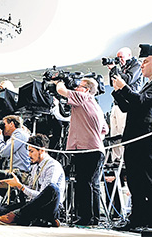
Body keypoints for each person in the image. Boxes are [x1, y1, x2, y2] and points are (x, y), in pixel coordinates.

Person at [111, 55, 152, 230]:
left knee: (148, 179)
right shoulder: (146, 85)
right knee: (134, 180)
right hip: (134, 136)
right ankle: (137, 218)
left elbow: (140, 101)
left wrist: (125, 87)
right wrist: (117, 90)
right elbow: (127, 107)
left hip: (147, 137)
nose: (141, 65)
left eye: (145, 62)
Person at [56, 77, 108, 225]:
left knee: (84, 184)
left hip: (86, 150)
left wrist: (59, 80)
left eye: (79, 86)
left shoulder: (84, 97)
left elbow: (61, 90)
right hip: (96, 149)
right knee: (93, 184)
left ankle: (85, 218)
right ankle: (93, 218)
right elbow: (105, 129)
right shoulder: (96, 105)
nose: (76, 88)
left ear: (86, 89)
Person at [0, 134, 66, 227]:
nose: (29, 155)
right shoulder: (35, 166)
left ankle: (21, 216)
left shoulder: (52, 166)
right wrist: (17, 185)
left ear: (42, 150)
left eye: (31, 151)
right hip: (34, 205)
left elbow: (42, 195)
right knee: (0, 211)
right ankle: (33, 218)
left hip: (49, 206)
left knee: (52, 188)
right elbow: (32, 191)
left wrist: (21, 187)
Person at [107, 47, 143, 162]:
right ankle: (116, 159)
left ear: (129, 55)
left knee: (123, 131)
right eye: (118, 58)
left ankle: (125, 158)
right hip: (117, 102)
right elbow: (113, 82)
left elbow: (127, 80)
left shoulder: (136, 66)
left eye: (121, 57)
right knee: (114, 133)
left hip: (127, 103)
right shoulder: (122, 68)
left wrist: (114, 69)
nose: (119, 60)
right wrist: (113, 70)